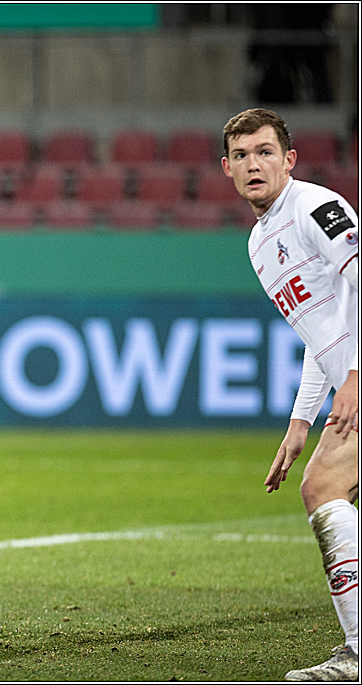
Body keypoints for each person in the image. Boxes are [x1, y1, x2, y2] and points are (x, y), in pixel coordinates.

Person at [222, 108, 358, 682]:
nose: (255, 164)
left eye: (266, 151)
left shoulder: (315, 207)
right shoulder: (259, 243)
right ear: (226, 169)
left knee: (323, 486)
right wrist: (300, 420)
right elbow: (316, 330)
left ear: (289, 160)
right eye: (243, 155)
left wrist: (353, 379)